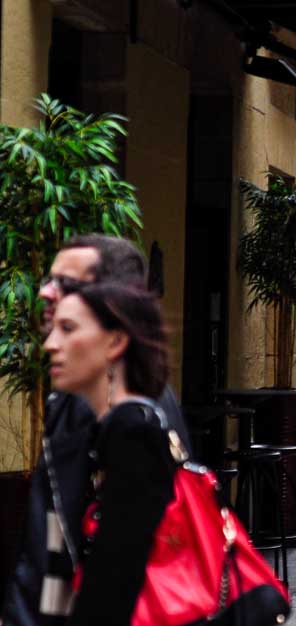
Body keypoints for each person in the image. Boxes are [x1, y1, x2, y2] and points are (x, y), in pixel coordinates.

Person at [3, 235, 190, 626]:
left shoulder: (129, 417)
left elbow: (121, 571)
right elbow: (54, 536)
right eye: (48, 280)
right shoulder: (80, 396)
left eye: (67, 285)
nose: (46, 293)